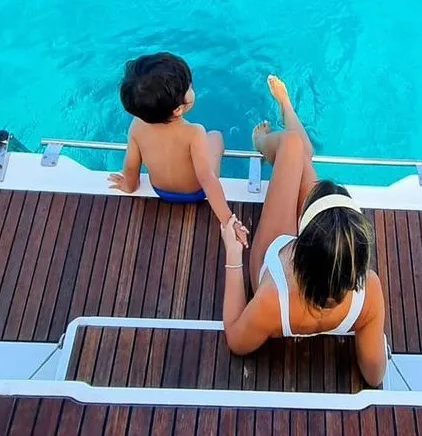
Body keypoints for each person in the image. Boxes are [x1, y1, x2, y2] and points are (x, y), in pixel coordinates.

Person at [219, 75, 387, 387]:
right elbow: (374, 375)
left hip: (272, 267)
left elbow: (236, 340)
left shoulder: (271, 300)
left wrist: (233, 255)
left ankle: (264, 141)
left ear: (298, 246)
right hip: (324, 283)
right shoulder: (370, 293)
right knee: (299, 151)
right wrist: (367, 324)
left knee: (293, 146)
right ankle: (287, 111)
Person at [110, 52, 248, 246]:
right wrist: (228, 220)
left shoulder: (136, 126)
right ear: (178, 109)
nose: (192, 88)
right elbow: (207, 179)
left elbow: (131, 167)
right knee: (215, 137)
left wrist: (128, 186)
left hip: (161, 191)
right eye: (189, 87)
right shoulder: (194, 132)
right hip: (196, 193)